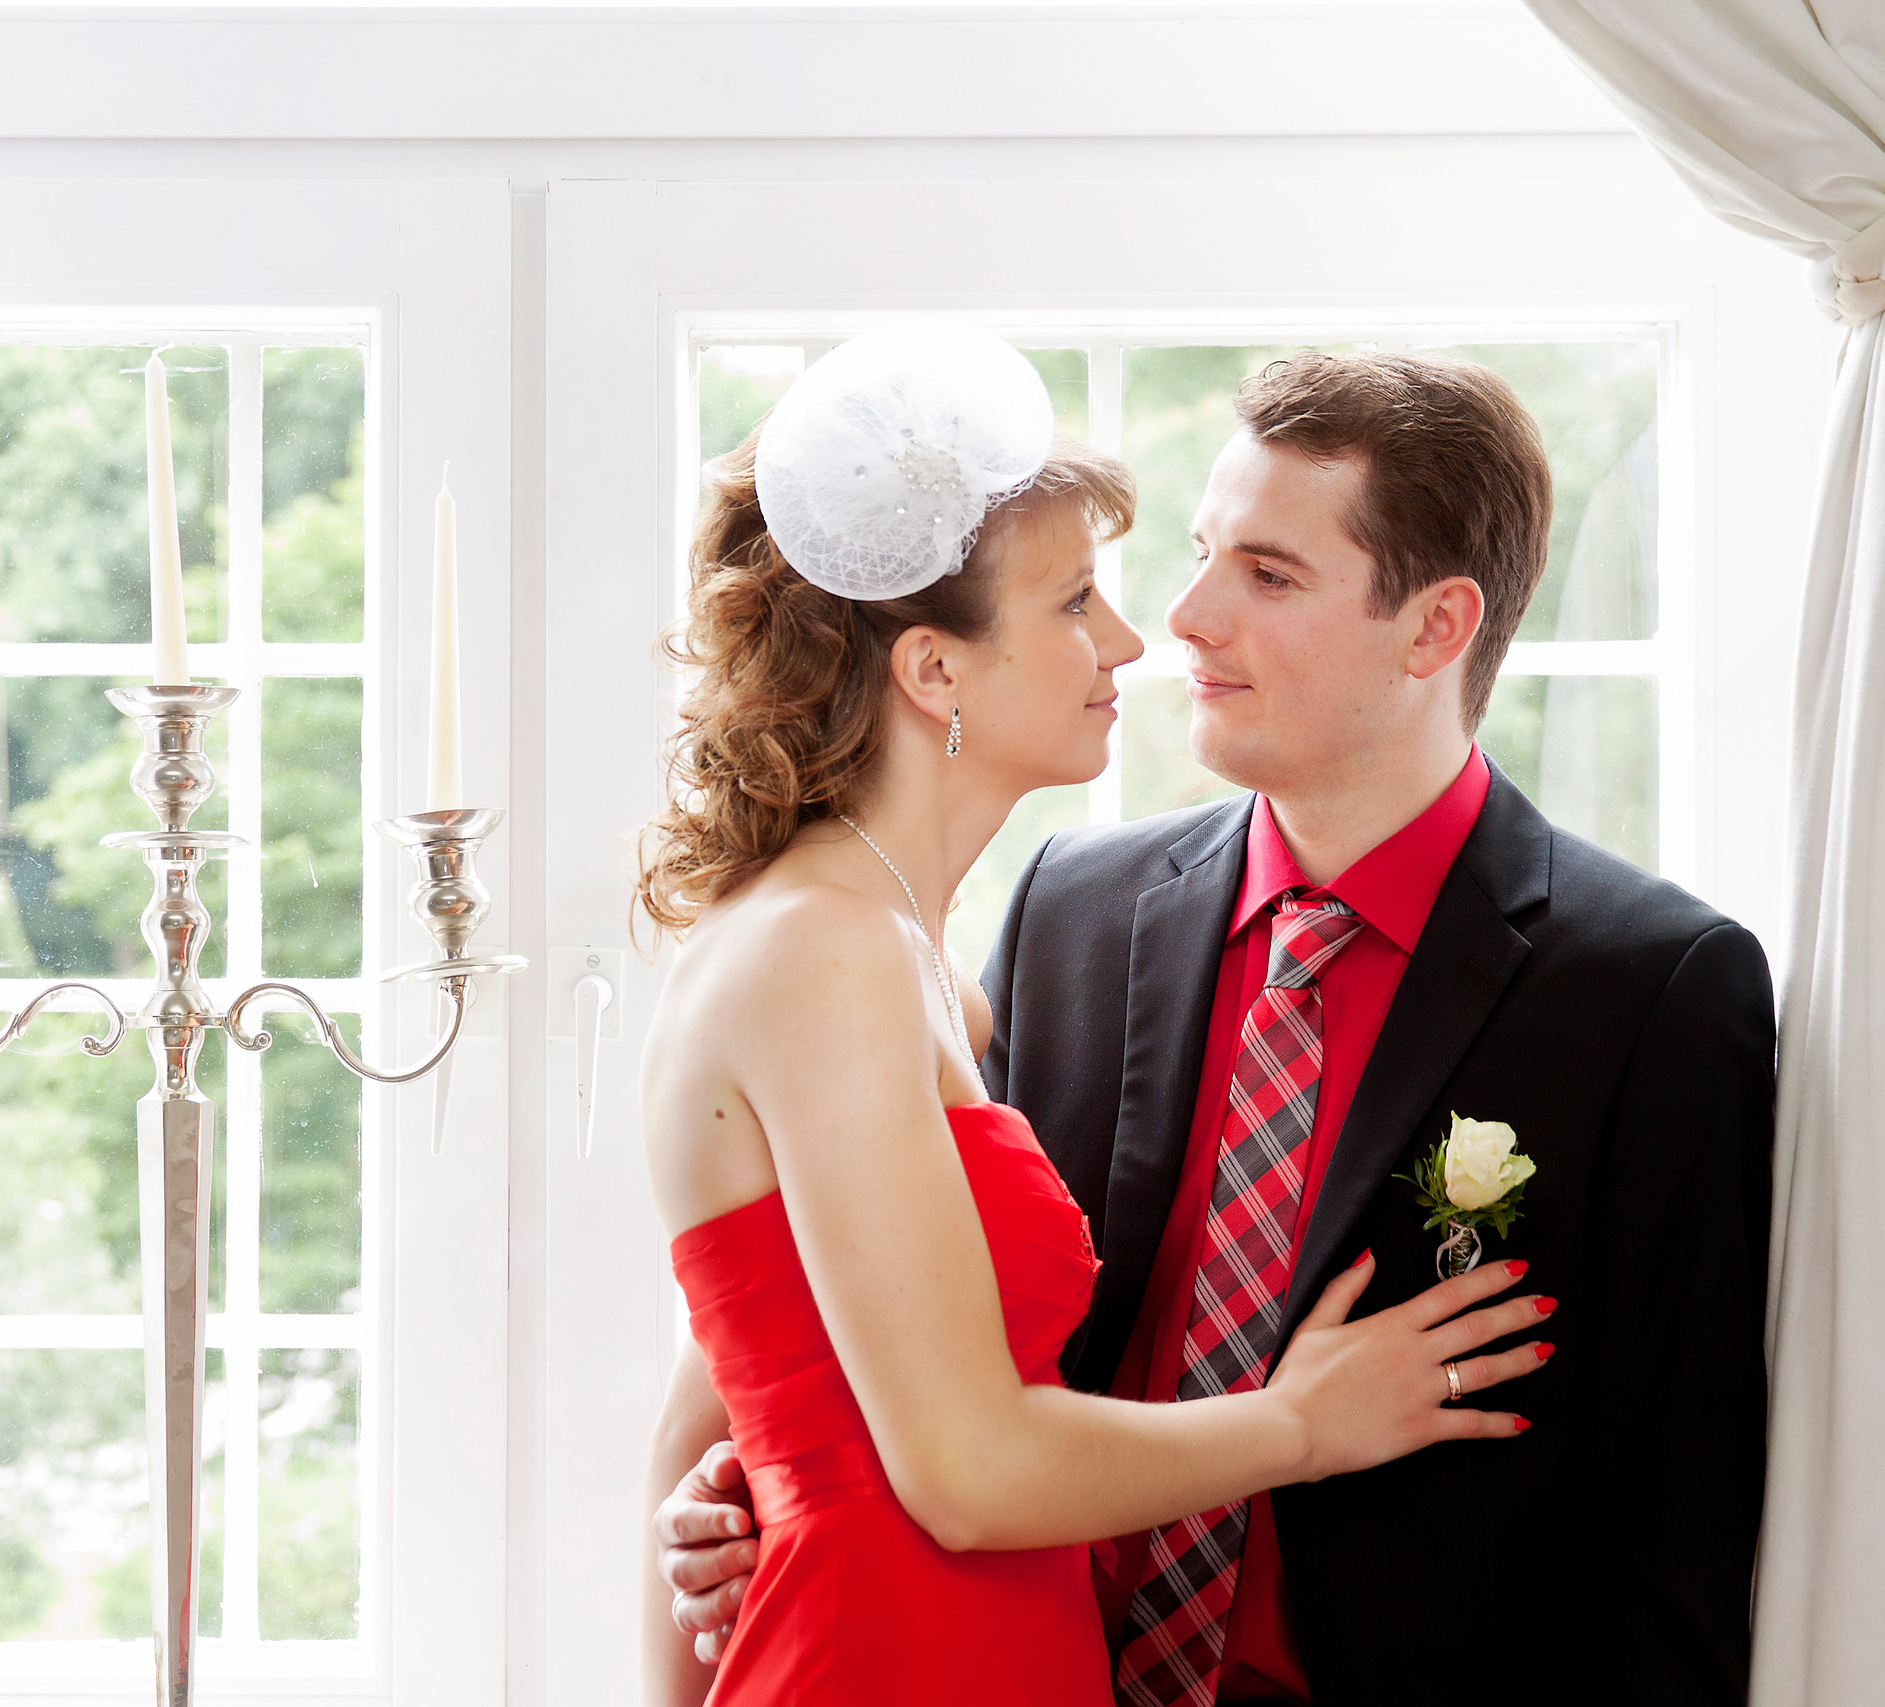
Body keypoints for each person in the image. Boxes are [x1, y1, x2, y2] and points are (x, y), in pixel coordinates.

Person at [656, 349, 1775, 1705]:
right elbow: (896, 1345)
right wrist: (748, 1486)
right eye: (1197, 557)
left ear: (1435, 628)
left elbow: (1675, 1542)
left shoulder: (1653, 990)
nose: (1180, 620)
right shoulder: (1067, 915)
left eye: (1269, 573)